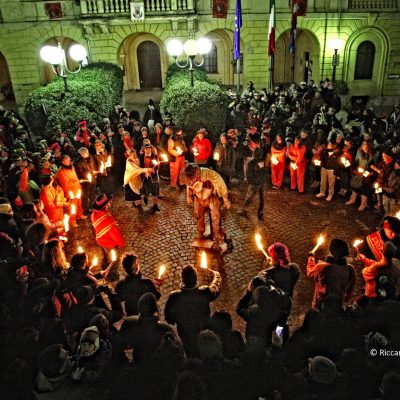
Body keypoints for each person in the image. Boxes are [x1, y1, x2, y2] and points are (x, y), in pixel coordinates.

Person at [164, 264, 221, 356]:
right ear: (196, 278)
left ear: (183, 279)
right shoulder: (204, 292)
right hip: (203, 330)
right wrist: (217, 276)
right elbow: (215, 288)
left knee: (189, 352)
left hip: (185, 334)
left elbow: (169, 319)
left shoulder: (174, 297)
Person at [183, 163, 231, 244]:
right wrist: (189, 196)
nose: (191, 180)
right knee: (198, 215)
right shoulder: (189, 176)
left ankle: (216, 235)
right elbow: (188, 185)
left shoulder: (209, 173)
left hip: (211, 196)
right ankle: (200, 232)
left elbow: (220, 183)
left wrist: (225, 199)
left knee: (215, 217)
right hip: (198, 197)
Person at [307, 238, 356, 308]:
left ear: (331, 250)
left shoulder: (323, 266)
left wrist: (311, 258)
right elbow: (350, 288)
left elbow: (310, 272)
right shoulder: (350, 269)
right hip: (338, 305)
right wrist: (346, 298)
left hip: (321, 306)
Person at [115, 252, 161, 316]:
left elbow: (119, 299)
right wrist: (157, 286)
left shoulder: (120, 285)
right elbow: (157, 296)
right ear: (137, 267)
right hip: (148, 315)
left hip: (132, 316)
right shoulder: (147, 283)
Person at [238, 134, 267, 220]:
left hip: (254, 183)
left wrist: (250, 182)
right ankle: (260, 212)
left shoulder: (251, 163)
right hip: (262, 182)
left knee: (248, 197)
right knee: (262, 198)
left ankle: (244, 210)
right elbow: (265, 171)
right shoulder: (262, 161)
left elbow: (248, 174)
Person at [90, 194, 125, 264]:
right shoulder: (108, 220)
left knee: (106, 258)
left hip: (101, 242)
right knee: (113, 262)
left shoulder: (93, 215)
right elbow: (115, 234)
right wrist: (121, 243)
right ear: (104, 206)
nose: (109, 204)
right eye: (108, 203)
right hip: (110, 244)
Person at [55, 154, 86, 228]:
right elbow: (65, 184)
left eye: (69, 159)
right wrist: (73, 182)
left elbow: (75, 177)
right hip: (71, 192)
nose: (69, 161)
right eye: (67, 160)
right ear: (63, 162)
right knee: (72, 206)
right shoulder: (60, 172)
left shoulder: (71, 167)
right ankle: (72, 220)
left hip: (77, 189)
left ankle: (79, 215)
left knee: (79, 203)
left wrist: (78, 183)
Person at [123, 149, 153, 214]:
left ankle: (135, 203)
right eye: (133, 155)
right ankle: (140, 210)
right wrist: (146, 169)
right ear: (129, 155)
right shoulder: (129, 162)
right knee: (136, 195)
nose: (135, 156)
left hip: (137, 179)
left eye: (135, 154)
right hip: (131, 180)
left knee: (138, 193)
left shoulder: (137, 159)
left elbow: (139, 167)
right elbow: (135, 170)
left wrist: (146, 171)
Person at [139, 141, 161, 213]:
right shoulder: (141, 156)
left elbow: (157, 165)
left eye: (149, 148)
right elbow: (140, 166)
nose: (148, 150)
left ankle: (155, 205)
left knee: (155, 191)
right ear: (144, 149)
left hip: (153, 177)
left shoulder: (155, 156)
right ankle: (146, 196)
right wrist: (143, 172)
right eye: (146, 149)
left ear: (151, 149)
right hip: (145, 177)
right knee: (146, 189)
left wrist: (154, 170)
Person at [74, 147, 97, 216]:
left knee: (92, 194)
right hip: (86, 182)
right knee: (85, 197)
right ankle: (86, 210)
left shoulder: (90, 158)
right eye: (86, 153)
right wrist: (91, 173)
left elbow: (93, 165)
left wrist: (94, 173)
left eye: (87, 152)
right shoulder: (79, 163)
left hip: (93, 180)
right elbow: (80, 173)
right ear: (82, 154)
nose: (88, 153)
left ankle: (92, 206)